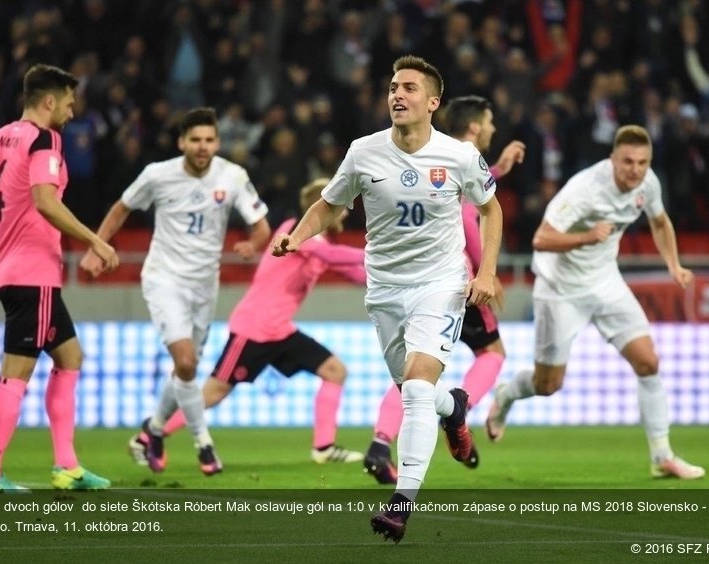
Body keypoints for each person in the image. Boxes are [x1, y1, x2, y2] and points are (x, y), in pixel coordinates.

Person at [272, 55, 503, 543]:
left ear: (433, 102)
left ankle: (401, 503)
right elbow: (329, 204)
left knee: (416, 388)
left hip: (440, 284)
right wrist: (299, 237)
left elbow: (491, 209)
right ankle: (455, 408)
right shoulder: (363, 152)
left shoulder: (459, 156)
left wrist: (485, 272)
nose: (398, 94)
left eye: (410, 88)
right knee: (413, 388)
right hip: (385, 290)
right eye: (394, 87)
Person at [486, 125, 706, 480]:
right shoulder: (585, 189)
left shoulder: (648, 183)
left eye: (642, 162)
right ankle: (506, 395)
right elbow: (541, 239)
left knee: (648, 362)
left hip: (606, 282)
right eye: (628, 162)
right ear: (612, 159)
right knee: (547, 386)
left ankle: (662, 456)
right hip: (560, 289)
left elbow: (661, 222)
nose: (635, 170)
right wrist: (588, 235)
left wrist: (674, 265)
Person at [0, 64, 119, 492]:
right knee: (16, 372)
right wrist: (96, 242)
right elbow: (45, 201)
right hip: (34, 272)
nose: (70, 110)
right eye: (68, 102)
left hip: (10, 269)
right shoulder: (46, 140)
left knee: (70, 358)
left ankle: (67, 466)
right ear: (49, 101)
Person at [80, 107, 271, 476]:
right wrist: (96, 246)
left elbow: (261, 225)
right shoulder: (157, 175)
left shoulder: (232, 175)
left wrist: (254, 244)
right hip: (164, 278)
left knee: (186, 369)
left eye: (209, 140)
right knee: (186, 362)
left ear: (217, 141)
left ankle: (152, 431)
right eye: (195, 140)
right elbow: (121, 209)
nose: (203, 147)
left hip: (205, 284)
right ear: (181, 141)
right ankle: (204, 445)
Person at [132, 179, 366, 467]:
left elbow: (357, 274)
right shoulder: (292, 230)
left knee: (335, 371)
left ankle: (324, 447)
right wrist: (378, 253)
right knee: (214, 392)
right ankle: (149, 435)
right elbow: (332, 256)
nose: (345, 211)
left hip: (279, 331)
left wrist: (397, 272)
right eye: (340, 205)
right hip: (253, 329)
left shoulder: (320, 246)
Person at [363, 95, 525, 484]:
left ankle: (381, 442)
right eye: (488, 122)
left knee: (412, 374)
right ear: (474, 127)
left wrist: (498, 168)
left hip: (406, 279)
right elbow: (471, 213)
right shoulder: (462, 155)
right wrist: (485, 268)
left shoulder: (431, 153)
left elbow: (460, 197)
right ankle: (458, 409)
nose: (492, 129)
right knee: (492, 352)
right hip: (454, 280)